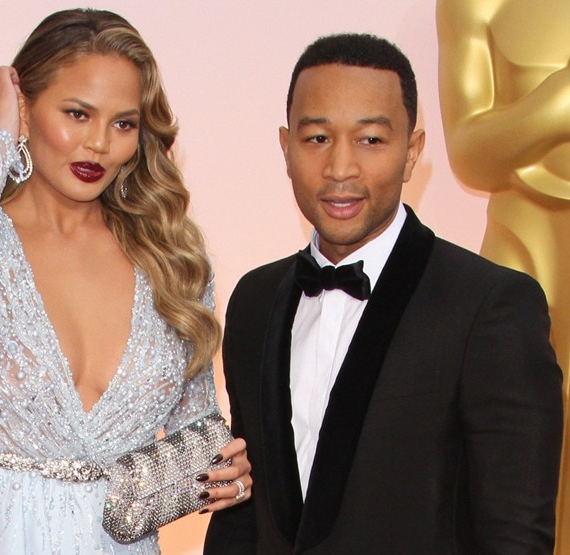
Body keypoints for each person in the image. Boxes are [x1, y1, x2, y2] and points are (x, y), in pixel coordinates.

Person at [0, 8, 251, 554]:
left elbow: (194, 433)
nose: (99, 144)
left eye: (123, 123)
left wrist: (218, 473)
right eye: (77, 113)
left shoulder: (173, 259)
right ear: (24, 106)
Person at [204, 33, 562, 554]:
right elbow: (243, 514)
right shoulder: (255, 300)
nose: (341, 169)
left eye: (370, 139)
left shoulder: (490, 307)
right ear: (285, 148)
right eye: (317, 138)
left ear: (412, 152)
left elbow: (516, 536)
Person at [436, 2, 570, 547]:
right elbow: (471, 152)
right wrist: (557, 105)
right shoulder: (473, 4)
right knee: (510, 442)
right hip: (524, 244)